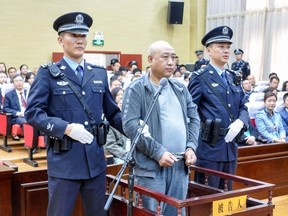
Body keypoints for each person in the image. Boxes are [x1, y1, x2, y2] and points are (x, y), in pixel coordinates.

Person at [24, 12, 124, 216]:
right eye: (73, 35)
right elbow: (33, 113)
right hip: (65, 164)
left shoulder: (98, 73)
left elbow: (113, 113)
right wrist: (66, 128)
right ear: (60, 40)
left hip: (95, 162)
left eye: (83, 36)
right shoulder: (48, 73)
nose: (80, 40)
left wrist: (136, 128)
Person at [122, 40, 200, 215]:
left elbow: (194, 118)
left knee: (176, 212)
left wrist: (191, 147)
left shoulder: (180, 88)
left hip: (180, 165)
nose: (171, 62)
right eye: (165, 57)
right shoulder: (137, 89)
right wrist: (158, 153)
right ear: (150, 59)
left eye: (174, 57)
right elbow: (130, 126)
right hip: (152, 169)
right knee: (151, 213)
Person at [188, 26, 249, 190]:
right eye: (221, 47)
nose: (226, 51)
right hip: (210, 148)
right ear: (208, 50)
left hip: (230, 147)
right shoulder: (200, 77)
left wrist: (241, 122)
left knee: (227, 194)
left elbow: (243, 106)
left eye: (228, 47)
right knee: (208, 197)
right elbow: (190, 112)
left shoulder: (233, 77)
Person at [3, 74, 27, 140]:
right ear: (13, 83)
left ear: (23, 82)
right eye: (16, 81)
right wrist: (17, 113)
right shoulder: (9, 95)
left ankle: (42, 141)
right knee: (26, 122)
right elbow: (5, 108)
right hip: (17, 117)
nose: (19, 82)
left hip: (29, 114)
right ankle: (31, 143)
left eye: (20, 80)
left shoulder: (29, 93)